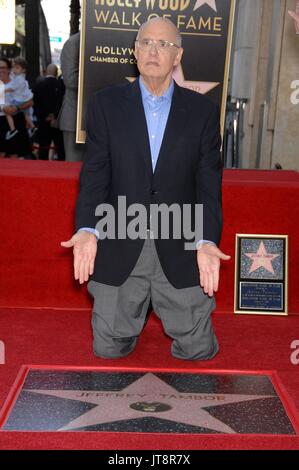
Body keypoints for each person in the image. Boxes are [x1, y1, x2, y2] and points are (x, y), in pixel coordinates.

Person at [61, 17, 230, 361]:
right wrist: (87, 229)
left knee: (199, 352)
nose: (154, 50)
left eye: (164, 45)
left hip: (179, 237)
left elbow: (209, 185)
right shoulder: (105, 105)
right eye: (146, 43)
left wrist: (207, 240)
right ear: (135, 52)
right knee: (107, 350)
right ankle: (127, 321)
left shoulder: (203, 112)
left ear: (178, 55)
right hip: (121, 233)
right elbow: (95, 174)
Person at [58, 32, 85, 162]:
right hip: (75, 119)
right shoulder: (74, 43)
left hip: (103, 119)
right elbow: (70, 80)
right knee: (74, 170)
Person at [0, 58, 32, 159]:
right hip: (1, 121)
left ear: (9, 69)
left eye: (3, 67)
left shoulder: (20, 82)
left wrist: (17, 108)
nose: (1, 70)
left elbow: (30, 101)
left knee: (15, 155)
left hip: (16, 120)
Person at [33, 64, 65, 160]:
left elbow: (36, 103)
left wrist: (44, 115)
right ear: (56, 73)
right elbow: (62, 102)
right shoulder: (61, 85)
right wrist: (54, 116)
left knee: (44, 147)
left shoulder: (39, 84)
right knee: (60, 148)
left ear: (46, 72)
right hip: (57, 121)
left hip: (43, 121)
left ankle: (42, 169)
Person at [4, 57, 37, 140]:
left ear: (23, 70)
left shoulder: (19, 79)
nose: (14, 70)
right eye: (14, 67)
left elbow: (11, 88)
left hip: (18, 100)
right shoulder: (20, 77)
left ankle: (12, 129)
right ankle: (32, 127)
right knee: (25, 114)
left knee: (7, 112)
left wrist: (2, 89)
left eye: (17, 68)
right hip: (23, 100)